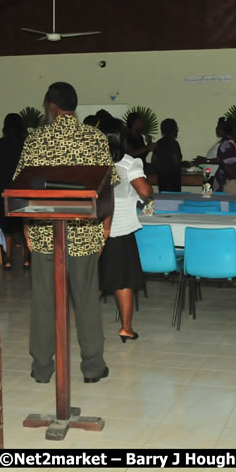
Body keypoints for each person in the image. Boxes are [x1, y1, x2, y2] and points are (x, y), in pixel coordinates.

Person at [14, 82, 118, 384]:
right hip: (85, 230)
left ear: (51, 106)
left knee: (44, 300)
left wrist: (27, 230)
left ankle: (43, 368)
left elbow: (22, 188)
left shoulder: (36, 138)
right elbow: (106, 187)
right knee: (86, 298)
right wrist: (105, 228)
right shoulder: (95, 137)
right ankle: (93, 367)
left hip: (45, 230)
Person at [98, 118, 152, 342]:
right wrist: (144, 198)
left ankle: (88, 323)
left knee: (94, 277)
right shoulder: (129, 163)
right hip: (120, 228)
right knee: (123, 280)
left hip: (93, 228)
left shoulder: (90, 160)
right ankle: (126, 327)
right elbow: (145, 191)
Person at [0, 113, 29, 271]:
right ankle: (27, 260)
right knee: (25, 225)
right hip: (24, 188)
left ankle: (8, 260)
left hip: (5, 189)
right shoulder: (28, 143)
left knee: (7, 227)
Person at [212, 117, 236, 192]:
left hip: (234, 184)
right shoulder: (226, 145)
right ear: (234, 130)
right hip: (226, 185)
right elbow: (227, 166)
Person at [152, 118, 182, 192]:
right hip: (173, 177)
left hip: (161, 176)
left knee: (163, 197)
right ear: (174, 130)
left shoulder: (158, 142)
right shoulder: (174, 143)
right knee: (175, 199)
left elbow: (153, 160)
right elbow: (176, 160)